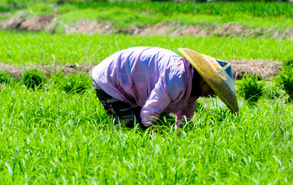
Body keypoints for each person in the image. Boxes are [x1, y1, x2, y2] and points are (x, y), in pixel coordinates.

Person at [90, 46, 239, 129]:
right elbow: (149, 113)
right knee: (131, 132)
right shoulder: (177, 78)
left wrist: (178, 142)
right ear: (203, 78)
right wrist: (160, 138)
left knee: (150, 128)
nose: (211, 93)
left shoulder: (193, 87)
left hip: (131, 84)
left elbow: (184, 120)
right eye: (212, 87)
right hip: (111, 78)